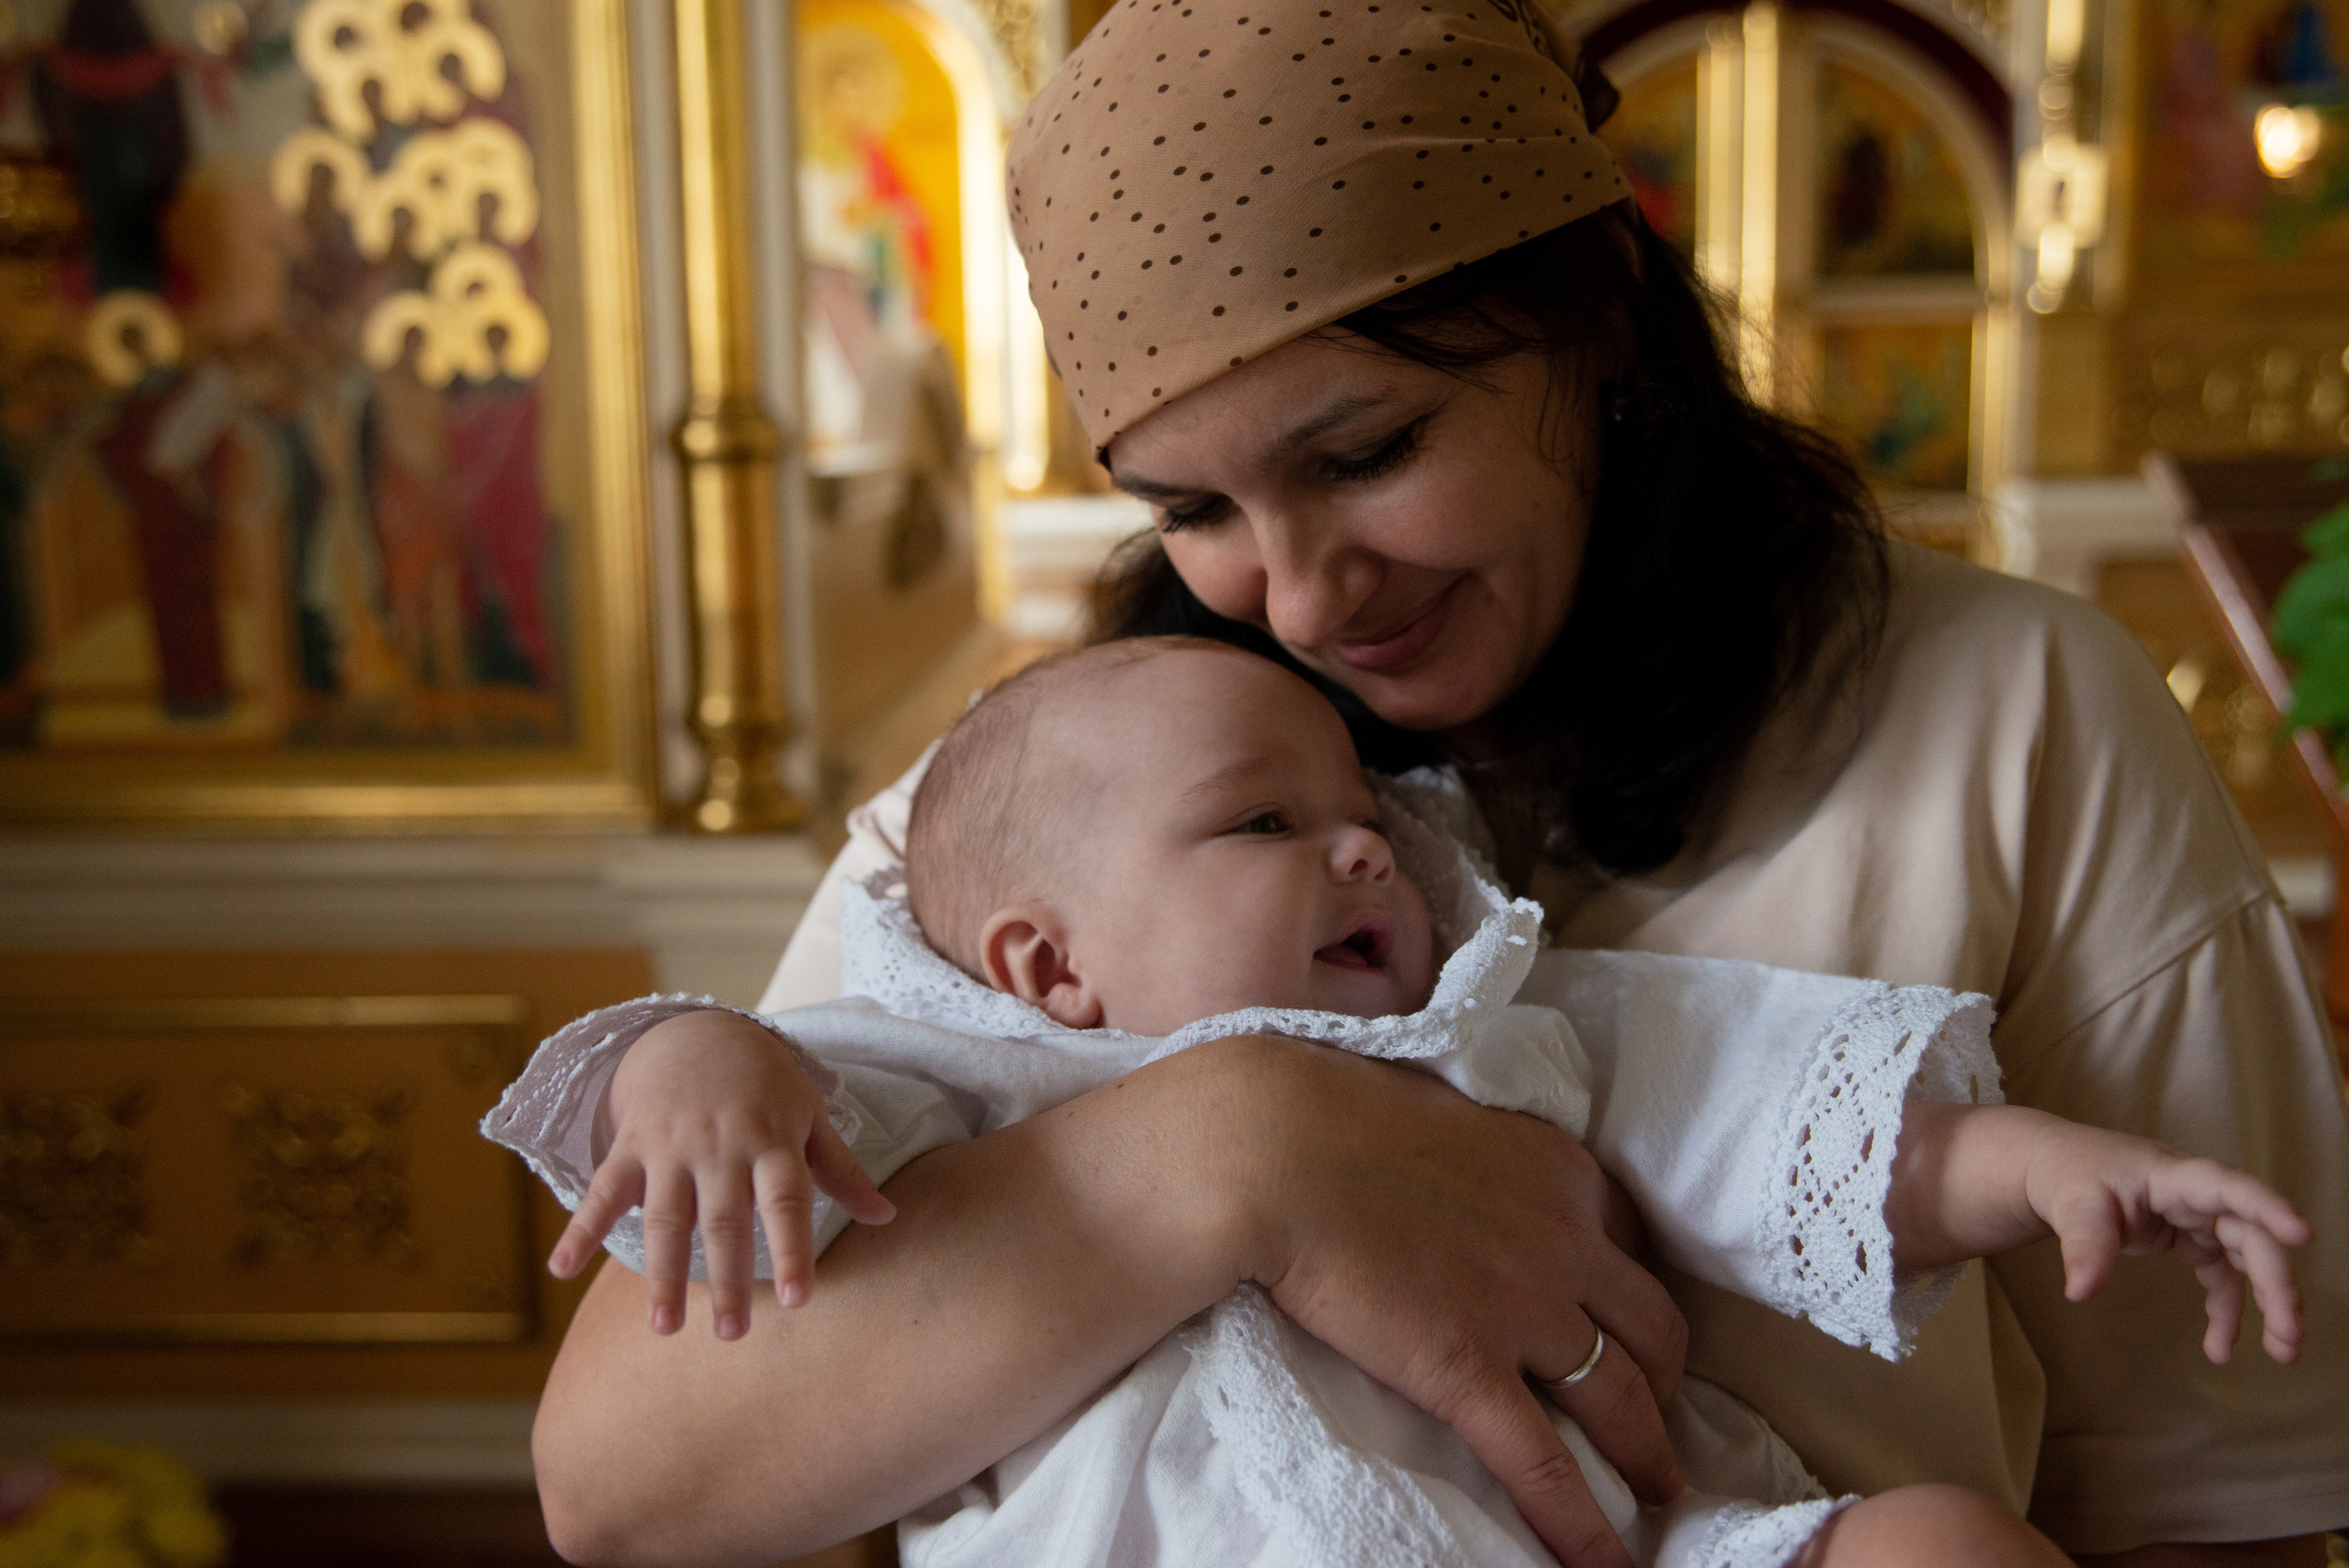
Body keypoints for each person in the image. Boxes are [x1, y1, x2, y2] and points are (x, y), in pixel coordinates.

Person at [528, 3, 2349, 1564]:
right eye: (1191, 511)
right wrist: (1239, 1152)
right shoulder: (1023, 826)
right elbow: (628, 1488)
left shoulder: (2013, 718)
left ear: (1597, 317)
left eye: (1369, 452)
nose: (1300, 599)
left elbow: (2218, 1506)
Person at [498, 636, 2308, 1568]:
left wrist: (2046, 1166)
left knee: (1931, 1549)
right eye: (1264, 826)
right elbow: (737, 1198)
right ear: (1052, 968)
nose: (1360, 837)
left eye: (1352, 800)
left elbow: (1767, 1104)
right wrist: (699, 1064)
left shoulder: (1491, 1018)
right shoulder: (965, 1059)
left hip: (1631, 1541)